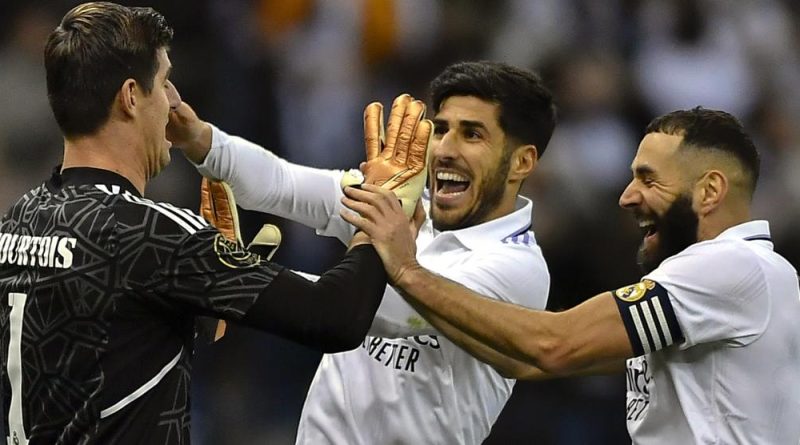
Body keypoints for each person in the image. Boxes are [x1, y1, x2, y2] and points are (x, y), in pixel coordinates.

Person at [0, 3, 430, 444]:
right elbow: (335, 316)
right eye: (164, 82)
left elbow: (105, 340)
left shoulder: (18, 221)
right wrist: (378, 208)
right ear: (130, 97)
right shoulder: (153, 233)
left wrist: (206, 296)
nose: (173, 100)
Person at [343, 107, 800, 443]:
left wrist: (407, 269)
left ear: (710, 190)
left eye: (648, 179)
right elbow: (524, 362)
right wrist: (409, 278)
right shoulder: (723, 289)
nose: (626, 196)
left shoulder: (734, 266)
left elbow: (554, 344)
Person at [169, 61, 557, 444]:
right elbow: (281, 183)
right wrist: (198, 138)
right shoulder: (402, 201)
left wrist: (234, 276)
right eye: (440, 130)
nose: (444, 149)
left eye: (472, 135)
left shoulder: (517, 268)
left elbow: (379, 312)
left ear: (521, 161)